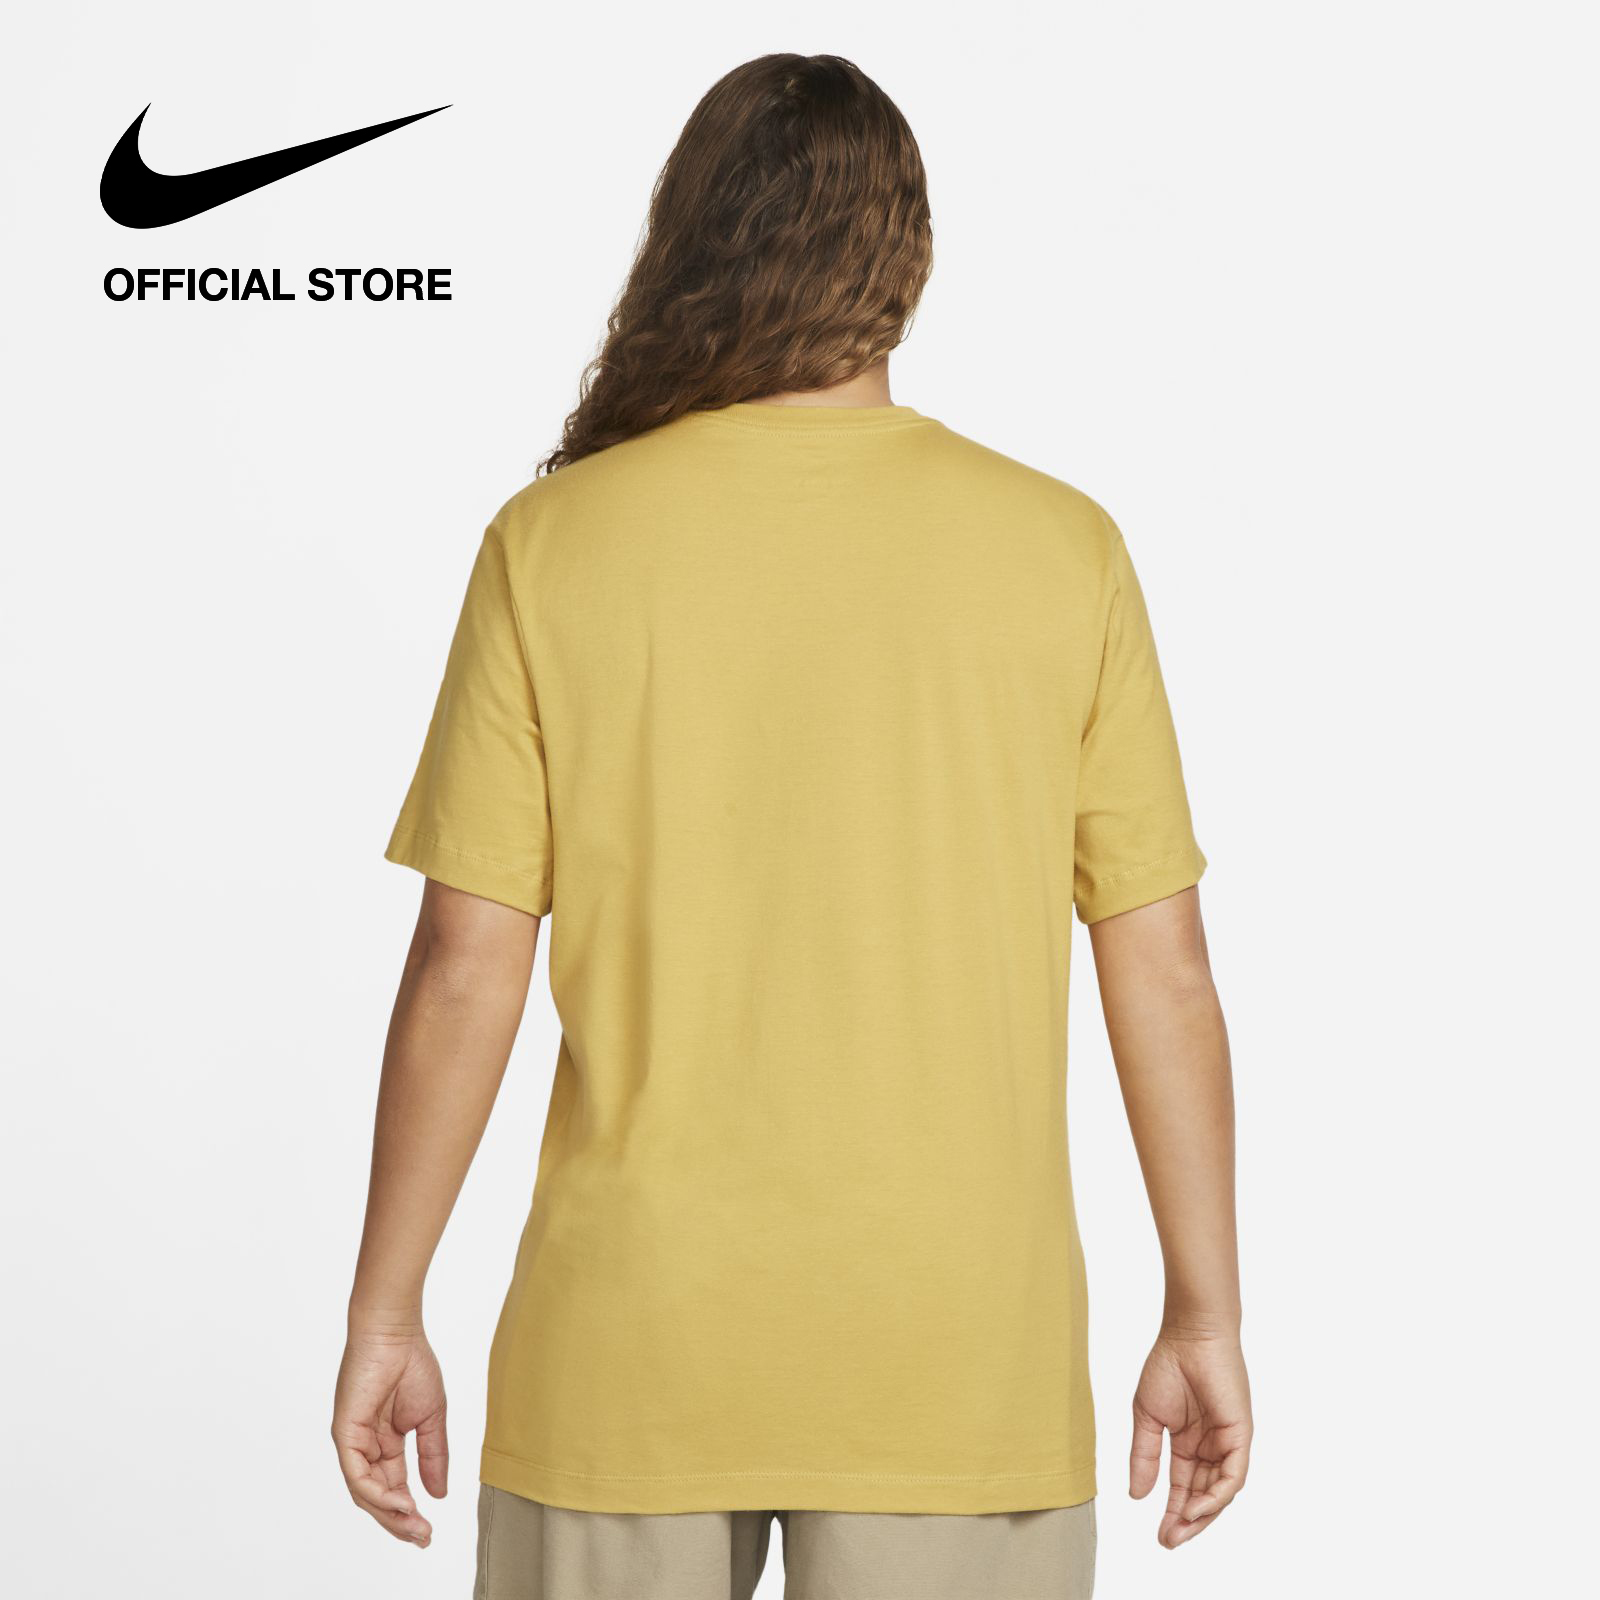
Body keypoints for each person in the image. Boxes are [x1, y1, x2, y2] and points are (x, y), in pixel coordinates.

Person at [333, 52, 1251, 1600]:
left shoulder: (554, 544)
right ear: (911, 255)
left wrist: (384, 1310)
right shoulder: (1061, 551)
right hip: (958, 1357)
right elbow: (1162, 970)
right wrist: (1205, 1312)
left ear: (689, 238)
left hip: (629, 1350)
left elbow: (462, 966)